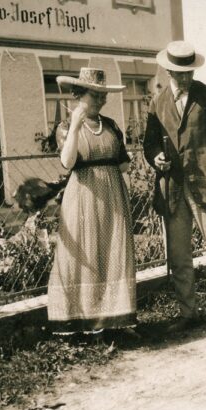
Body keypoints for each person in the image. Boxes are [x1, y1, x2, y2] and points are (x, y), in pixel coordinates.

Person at [143, 41, 206, 337]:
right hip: (173, 190)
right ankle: (189, 313)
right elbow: (149, 143)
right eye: (179, 73)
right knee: (179, 257)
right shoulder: (158, 102)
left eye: (189, 72)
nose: (185, 78)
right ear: (168, 70)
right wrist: (155, 157)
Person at [47, 68, 137, 335]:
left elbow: (124, 166)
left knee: (113, 252)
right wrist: (75, 125)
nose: (101, 100)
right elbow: (67, 162)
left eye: (103, 95)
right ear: (78, 95)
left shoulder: (110, 126)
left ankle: (116, 320)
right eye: (94, 95)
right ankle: (82, 321)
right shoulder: (65, 128)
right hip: (83, 196)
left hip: (113, 196)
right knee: (86, 253)